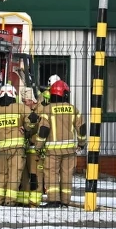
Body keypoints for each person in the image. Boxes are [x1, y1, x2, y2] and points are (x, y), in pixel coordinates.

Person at [0, 83, 33, 207]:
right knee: (14, 175)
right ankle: (10, 201)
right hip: (17, 149)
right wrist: (26, 129)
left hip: (1, 149)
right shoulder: (21, 108)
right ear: (13, 95)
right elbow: (33, 121)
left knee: (2, 174)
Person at [38, 79, 85, 207]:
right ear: (64, 94)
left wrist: (38, 146)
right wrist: (81, 143)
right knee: (66, 175)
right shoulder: (73, 109)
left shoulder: (48, 110)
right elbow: (81, 128)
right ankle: (65, 201)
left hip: (52, 151)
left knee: (51, 174)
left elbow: (43, 130)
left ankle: (54, 201)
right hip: (69, 150)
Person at [19, 86, 44, 207]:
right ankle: (23, 201)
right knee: (25, 177)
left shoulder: (41, 110)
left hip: (36, 149)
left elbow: (39, 128)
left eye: (25, 102)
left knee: (35, 177)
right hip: (27, 148)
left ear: (32, 100)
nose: (24, 104)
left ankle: (34, 202)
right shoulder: (28, 111)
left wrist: (27, 128)